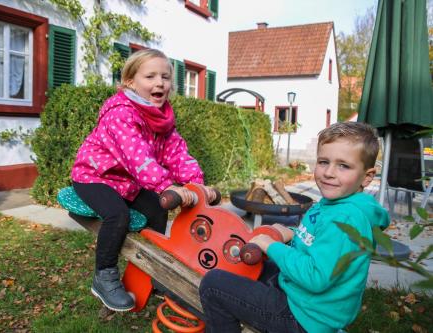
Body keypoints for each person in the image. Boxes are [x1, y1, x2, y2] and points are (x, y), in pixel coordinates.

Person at [199, 122, 390, 333]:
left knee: (214, 285)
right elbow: (318, 242)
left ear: (367, 177)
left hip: (304, 318)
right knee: (256, 267)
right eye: (323, 161)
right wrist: (292, 234)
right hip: (304, 300)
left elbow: (316, 277)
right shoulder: (336, 203)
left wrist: (271, 246)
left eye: (343, 166)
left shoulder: (346, 219)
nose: (328, 172)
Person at [71, 48, 215, 312]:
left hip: (125, 183)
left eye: (165, 77)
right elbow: (138, 159)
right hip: (94, 176)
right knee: (117, 216)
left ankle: (155, 268)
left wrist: (197, 185)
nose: (159, 82)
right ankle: (104, 275)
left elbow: (178, 153)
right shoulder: (121, 113)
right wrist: (167, 186)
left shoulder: (162, 119)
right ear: (130, 82)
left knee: (158, 208)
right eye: (150, 76)